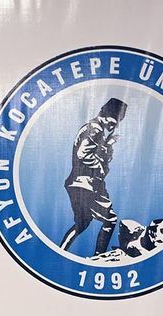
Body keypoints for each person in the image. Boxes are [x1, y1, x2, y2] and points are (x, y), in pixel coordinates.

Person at [58, 97, 127, 256]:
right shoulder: (95, 129)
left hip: (80, 184)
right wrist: (100, 167)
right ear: (104, 114)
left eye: (117, 123)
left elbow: (97, 156)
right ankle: (99, 256)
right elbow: (83, 154)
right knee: (110, 219)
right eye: (113, 121)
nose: (114, 126)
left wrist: (108, 146)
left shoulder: (99, 132)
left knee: (81, 224)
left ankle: (60, 252)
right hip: (86, 185)